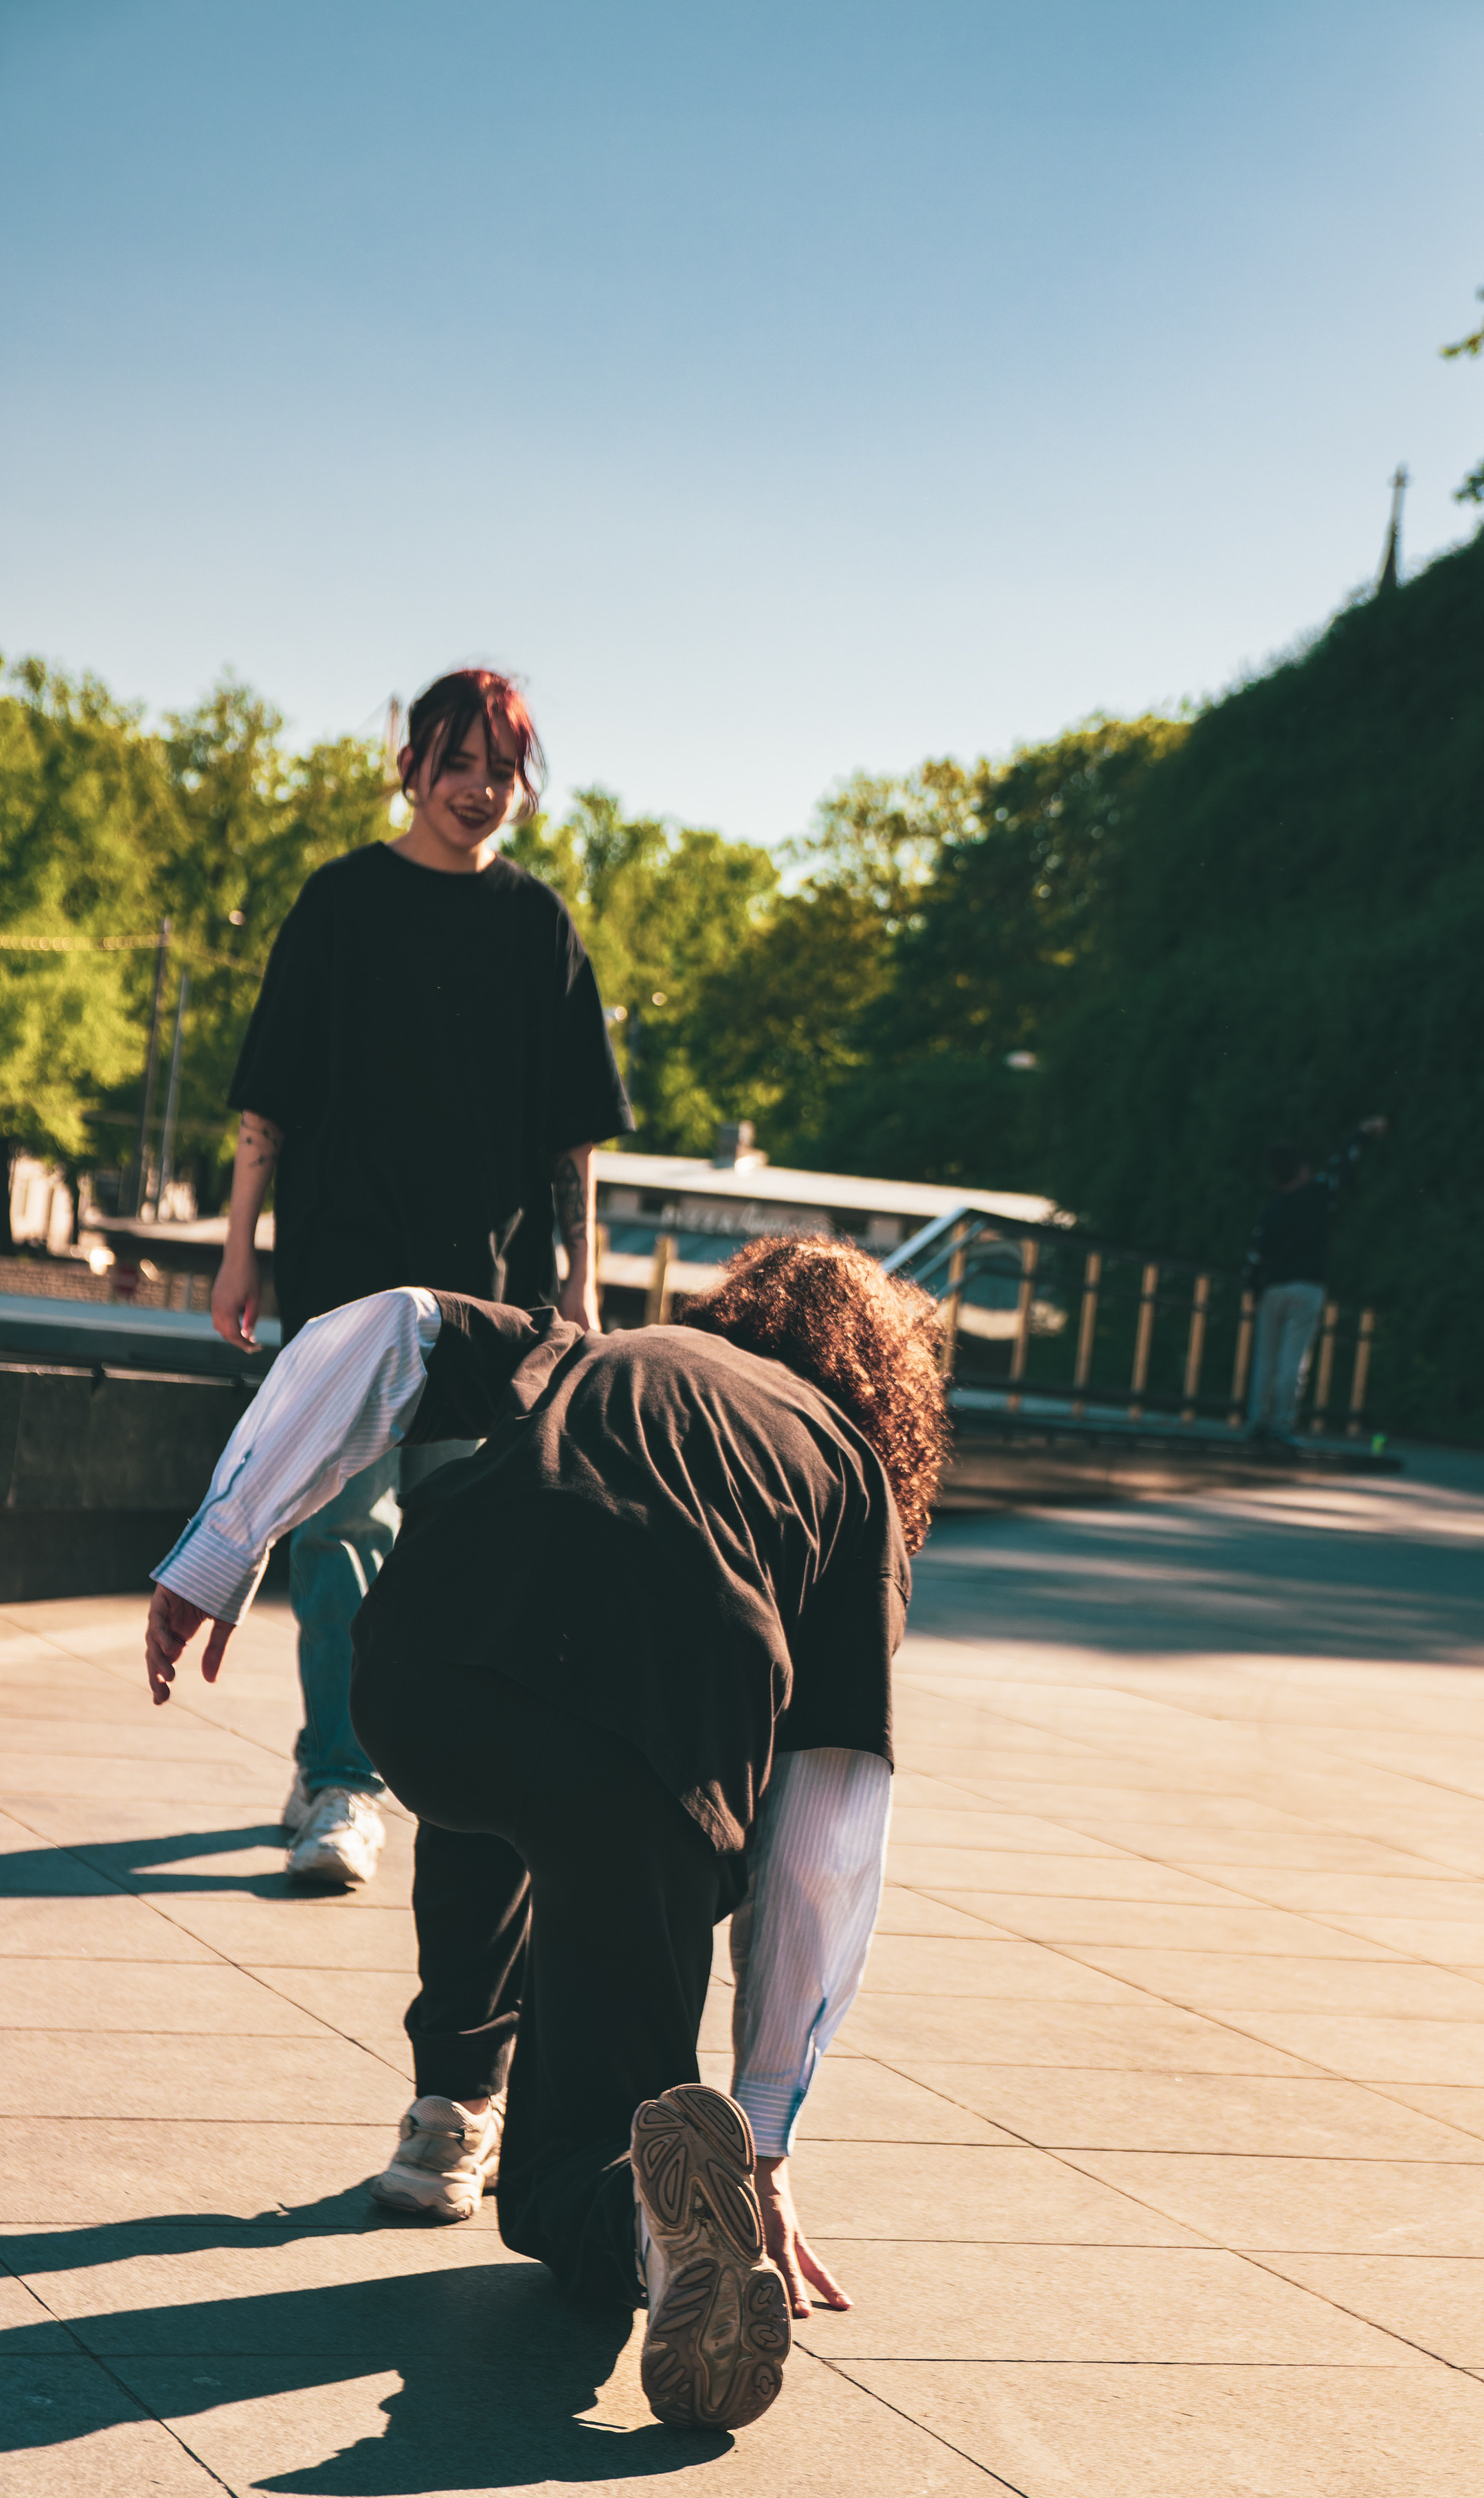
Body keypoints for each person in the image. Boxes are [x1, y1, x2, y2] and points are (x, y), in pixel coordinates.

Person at [145, 1235, 945, 2433]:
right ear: (887, 1389)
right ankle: (643, 2221)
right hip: (645, 1767)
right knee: (586, 2147)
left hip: (425, 1671)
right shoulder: (849, 1479)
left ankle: (448, 2113)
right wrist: (765, 2128)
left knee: (487, 1803)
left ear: (735, 1307)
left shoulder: (599, 1349)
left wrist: (227, 1539)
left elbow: (394, 1324)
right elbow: (825, 1831)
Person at [210, 668, 632, 1889]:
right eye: (457, 763)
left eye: (501, 769)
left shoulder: (537, 924)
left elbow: (573, 1137)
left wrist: (584, 1284)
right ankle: (343, 1782)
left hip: (487, 1295)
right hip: (344, 1274)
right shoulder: (340, 902)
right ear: (414, 767)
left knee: (451, 1538)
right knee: (343, 1524)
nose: (479, 789)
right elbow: (268, 1092)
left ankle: (384, 1768)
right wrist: (239, 1247)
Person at [1244, 1116, 1386, 1439]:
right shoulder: (1319, 1194)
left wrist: (1254, 1287)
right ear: (1303, 1169)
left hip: (1271, 1289)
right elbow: (1342, 1168)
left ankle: (1258, 1420)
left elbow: (1255, 1253)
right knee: (1293, 1360)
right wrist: (1362, 1133)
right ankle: (1283, 1422)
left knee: (1265, 1359)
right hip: (1307, 1286)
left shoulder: (1272, 1209)